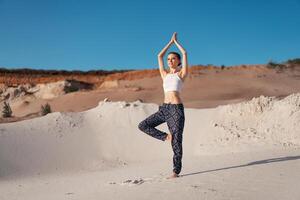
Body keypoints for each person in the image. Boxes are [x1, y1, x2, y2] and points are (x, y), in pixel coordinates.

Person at [138, 32, 188, 179]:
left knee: (177, 141)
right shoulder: (164, 74)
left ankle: (175, 171)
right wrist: (169, 43)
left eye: (173, 58)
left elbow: (185, 53)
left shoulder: (181, 74)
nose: (170, 61)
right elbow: (159, 56)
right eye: (169, 59)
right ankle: (165, 136)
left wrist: (176, 43)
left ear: (178, 61)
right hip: (164, 109)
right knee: (143, 125)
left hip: (176, 110)